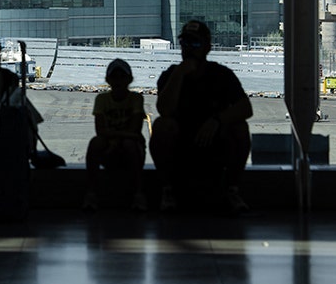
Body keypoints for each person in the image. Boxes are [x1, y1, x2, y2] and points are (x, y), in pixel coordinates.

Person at [150, 20, 254, 213]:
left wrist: (217, 120)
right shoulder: (171, 75)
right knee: (161, 126)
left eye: (195, 44)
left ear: (207, 47)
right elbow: (164, 110)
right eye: (185, 44)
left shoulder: (221, 75)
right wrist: (179, 76)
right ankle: (168, 190)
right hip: (181, 142)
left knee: (240, 128)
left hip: (214, 141)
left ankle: (232, 189)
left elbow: (246, 108)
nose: (189, 50)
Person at [83, 58, 146, 212]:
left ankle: (138, 194)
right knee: (96, 143)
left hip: (124, 148)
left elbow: (135, 129)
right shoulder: (102, 99)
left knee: (128, 145)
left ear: (129, 79)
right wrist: (121, 137)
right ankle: (91, 193)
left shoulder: (136, 98)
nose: (118, 81)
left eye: (121, 77)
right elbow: (101, 131)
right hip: (112, 148)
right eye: (114, 77)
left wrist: (115, 140)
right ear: (108, 80)